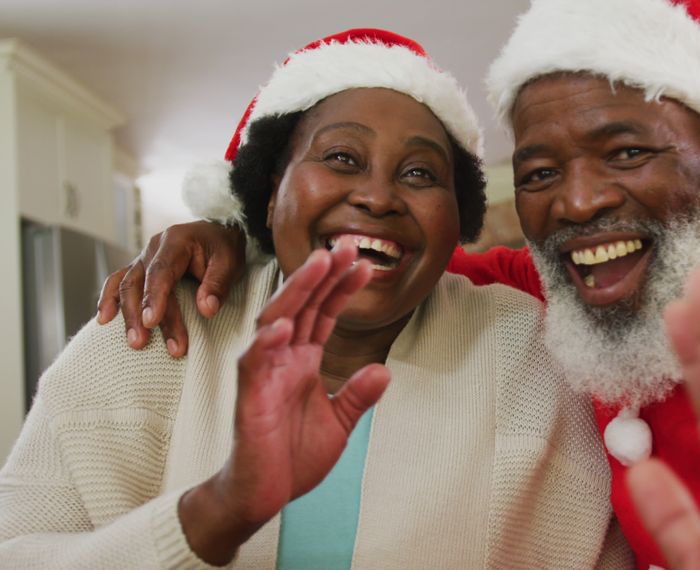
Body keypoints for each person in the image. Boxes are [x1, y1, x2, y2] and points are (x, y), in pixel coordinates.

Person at [100, 1, 700, 568]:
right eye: (538, 170)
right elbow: (402, 264)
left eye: (626, 150)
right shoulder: (560, 290)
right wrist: (233, 231)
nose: (575, 202)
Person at [0, 28, 632, 569]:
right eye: (341, 157)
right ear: (272, 191)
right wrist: (219, 509)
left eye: (419, 173)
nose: (379, 197)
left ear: (456, 220)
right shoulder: (155, 330)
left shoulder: (536, 360)